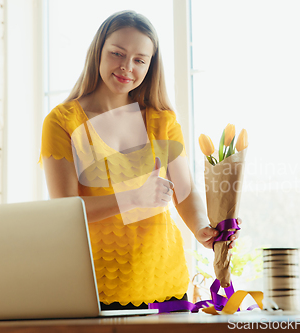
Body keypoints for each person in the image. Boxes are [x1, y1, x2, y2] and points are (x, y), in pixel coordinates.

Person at [38, 10, 242, 310]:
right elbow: (65, 209)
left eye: (139, 60)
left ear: (150, 65)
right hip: (94, 286)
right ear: (98, 52)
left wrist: (201, 229)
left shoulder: (162, 120)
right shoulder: (62, 121)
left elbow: (184, 193)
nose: (126, 67)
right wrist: (132, 198)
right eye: (117, 53)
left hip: (165, 282)